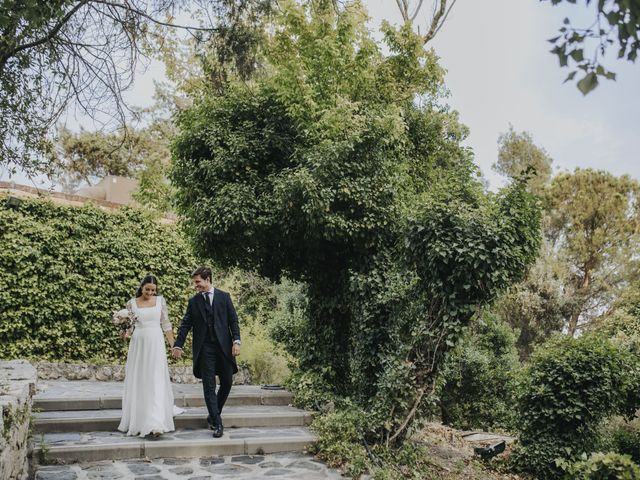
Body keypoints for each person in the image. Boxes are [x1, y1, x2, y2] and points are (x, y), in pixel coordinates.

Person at [171, 267, 241, 438]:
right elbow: (186, 324)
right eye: (195, 282)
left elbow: (233, 320)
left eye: (198, 282)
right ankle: (217, 423)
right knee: (208, 386)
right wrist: (178, 344)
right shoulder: (193, 302)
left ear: (207, 279)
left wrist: (236, 341)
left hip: (224, 347)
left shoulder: (224, 297)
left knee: (227, 382)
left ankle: (212, 414)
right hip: (204, 349)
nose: (196, 286)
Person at [118, 275, 183, 437]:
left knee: (155, 378)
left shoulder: (160, 301)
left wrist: (173, 345)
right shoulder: (131, 304)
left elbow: (166, 324)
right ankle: (139, 418)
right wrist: (123, 330)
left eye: (153, 290)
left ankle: (155, 422)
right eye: (147, 289)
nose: (150, 293)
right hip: (139, 344)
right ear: (141, 287)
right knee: (140, 379)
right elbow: (129, 329)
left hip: (155, 342)